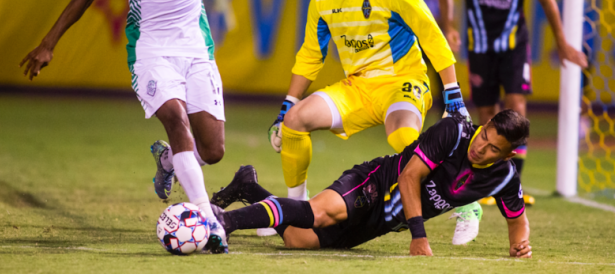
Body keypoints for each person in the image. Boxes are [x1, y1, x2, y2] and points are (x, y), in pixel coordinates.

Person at [20, 0, 229, 253]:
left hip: (196, 48)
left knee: (213, 150)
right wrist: (48, 44)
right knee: (177, 122)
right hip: (151, 51)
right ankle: (208, 221)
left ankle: (168, 160)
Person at [263, 0, 471, 241]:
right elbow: (309, 56)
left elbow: (432, 36)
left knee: (403, 136)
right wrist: (286, 105)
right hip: (357, 88)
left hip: (403, 80)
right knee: (294, 120)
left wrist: (453, 94)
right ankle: (295, 208)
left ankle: (465, 203)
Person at [438, 0, 588, 240]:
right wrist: (448, 24)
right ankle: (487, 180)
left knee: (516, 108)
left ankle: (514, 183)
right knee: (487, 115)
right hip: (479, 47)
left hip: (514, 47)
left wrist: (562, 41)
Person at [213, 110, 532, 258]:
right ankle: (224, 222)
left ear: (507, 155)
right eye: (485, 136)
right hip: (377, 182)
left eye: (493, 148)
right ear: (486, 124)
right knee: (320, 213)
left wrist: (519, 245)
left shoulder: (504, 177)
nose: (481, 147)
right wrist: (418, 236)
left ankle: (248, 186)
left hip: (384, 222)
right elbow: (409, 176)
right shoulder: (454, 131)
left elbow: (517, 220)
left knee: (300, 241)